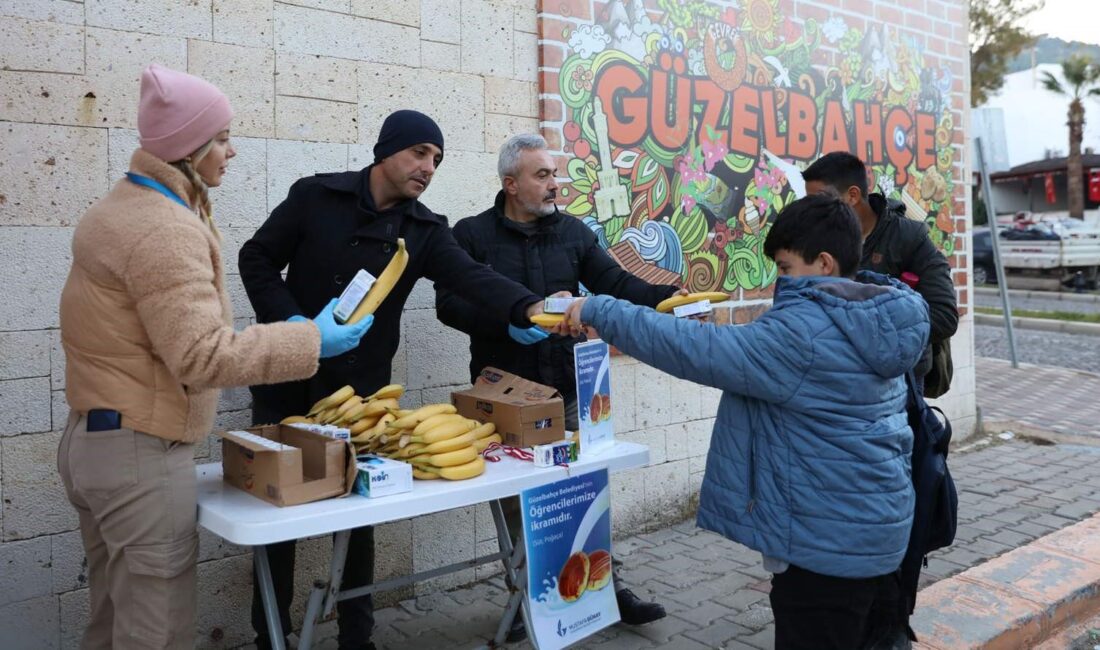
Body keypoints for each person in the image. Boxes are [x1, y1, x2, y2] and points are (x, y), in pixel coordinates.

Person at [57, 64, 370, 650]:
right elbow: (201, 356)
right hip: (138, 455)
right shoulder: (163, 229)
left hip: (94, 442)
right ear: (188, 148)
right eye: (221, 137)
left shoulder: (117, 208)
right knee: (157, 633)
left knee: (111, 619)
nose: (232, 150)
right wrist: (311, 341)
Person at [559, 194, 929, 650]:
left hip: (826, 555)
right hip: (881, 537)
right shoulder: (876, 317)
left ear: (825, 264)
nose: (780, 281)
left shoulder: (804, 336)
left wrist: (599, 310)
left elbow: (697, 350)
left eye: (786, 268)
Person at [238, 110, 547, 650]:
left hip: (357, 394)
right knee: (277, 515)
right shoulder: (315, 197)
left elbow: (472, 278)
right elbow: (256, 257)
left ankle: (357, 636)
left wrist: (529, 308)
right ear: (386, 150)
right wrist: (293, 325)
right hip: (286, 377)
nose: (428, 167)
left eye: (437, 160)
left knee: (359, 517)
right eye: (420, 153)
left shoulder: (422, 230)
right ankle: (272, 635)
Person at [435, 133, 674, 638]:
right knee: (521, 504)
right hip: (502, 402)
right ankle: (527, 600)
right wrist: (506, 322)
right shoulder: (471, 235)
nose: (554, 184)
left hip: (566, 392)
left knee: (585, 493)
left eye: (554, 174)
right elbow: (448, 305)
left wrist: (668, 299)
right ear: (510, 184)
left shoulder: (573, 232)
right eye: (542, 175)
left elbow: (617, 283)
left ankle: (607, 588)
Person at [802, 152, 958, 397]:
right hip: (838, 377)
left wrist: (867, 335)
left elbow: (944, 316)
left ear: (852, 195)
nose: (813, 211)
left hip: (900, 381)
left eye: (820, 201)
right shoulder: (822, 239)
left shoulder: (909, 238)